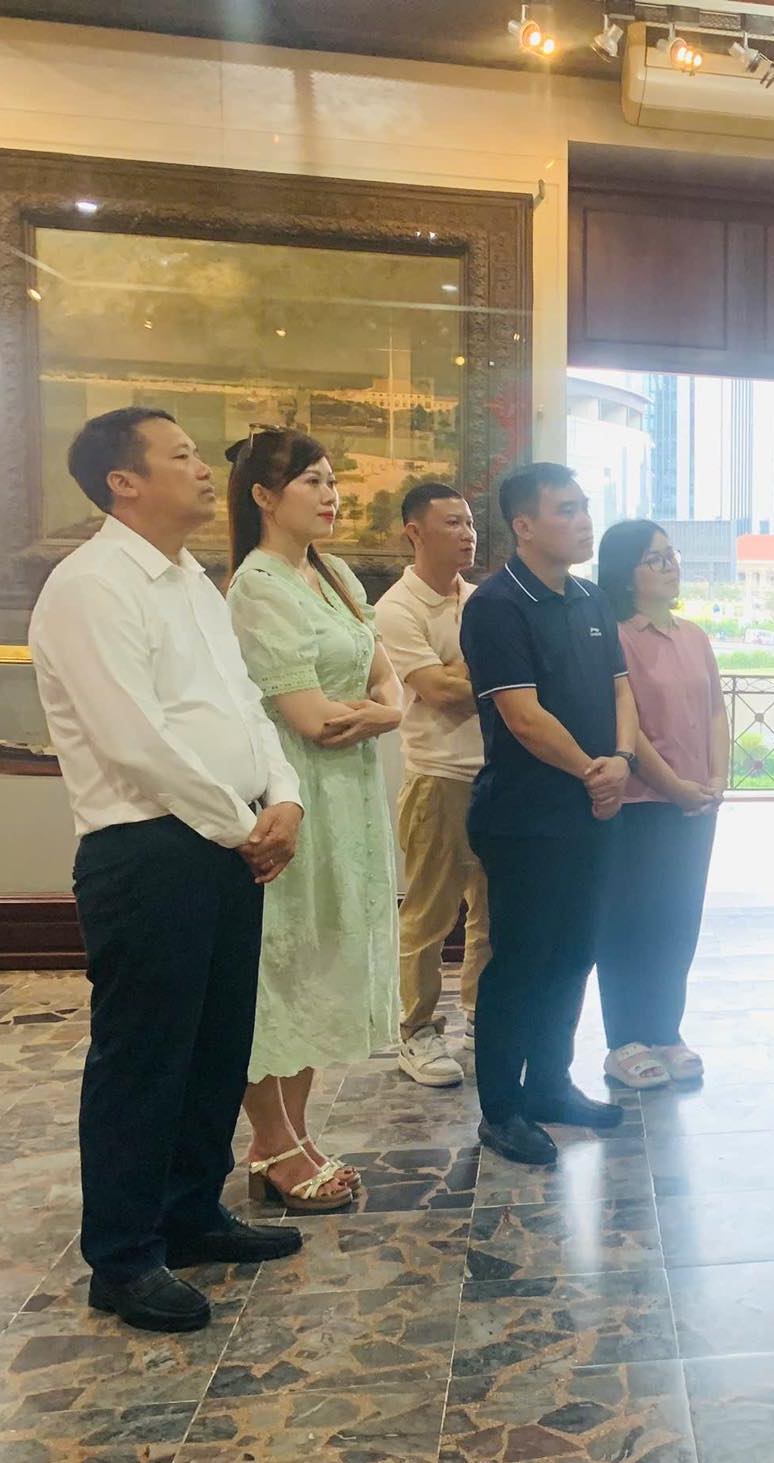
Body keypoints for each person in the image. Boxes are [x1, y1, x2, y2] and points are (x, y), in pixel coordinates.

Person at [29, 408, 306, 1333]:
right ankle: (122, 1256)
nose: (201, 468)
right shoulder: (91, 585)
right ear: (124, 482)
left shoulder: (193, 580)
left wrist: (283, 795)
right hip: (147, 850)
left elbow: (244, 704)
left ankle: (191, 1214)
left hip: (228, 841)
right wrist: (243, 825)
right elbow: (133, 738)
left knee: (217, 1044)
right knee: (144, 1057)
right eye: (181, 455)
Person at [224, 428, 404, 1213]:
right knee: (282, 970)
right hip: (297, 796)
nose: (330, 496)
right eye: (312, 482)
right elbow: (311, 719)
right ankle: (272, 1142)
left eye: (332, 480)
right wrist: (382, 714)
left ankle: (291, 1135)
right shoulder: (258, 587)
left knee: (324, 965)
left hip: (351, 798)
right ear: (265, 497)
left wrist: (385, 711)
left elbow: (387, 676)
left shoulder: (331, 573)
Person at [459, 463, 637, 1165]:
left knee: (573, 954)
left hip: (592, 810)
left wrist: (622, 760)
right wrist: (594, 771)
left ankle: (551, 1086)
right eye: (566, 510)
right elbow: (523, 717)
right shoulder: (497, 605)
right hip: (525, 817)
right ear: (524, 525)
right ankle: (502, 1110)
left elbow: (621, 689)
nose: (583, 520)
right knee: (521, 962)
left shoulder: (591, 598)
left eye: (585, 506)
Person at [593, 521, 726, 1091]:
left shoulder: (694, 636)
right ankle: (625, 1041)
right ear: (626, 573)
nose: (670, 567)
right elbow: (626, 726)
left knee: (678, 919)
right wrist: (673, 785)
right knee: (630, 922)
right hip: (642, 803)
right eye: (655, 559)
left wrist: (716, 779)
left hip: (696, 805)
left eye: (671, 556)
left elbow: (715, 710)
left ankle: (666, 1030)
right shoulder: (615, 637)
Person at [374, 482, 488, 1089]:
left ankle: (480, 1016)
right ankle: (416, 1030)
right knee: (428, 915)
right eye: (452, 523)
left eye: (469, 522)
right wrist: (488, 669)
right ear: (414, 531)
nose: (467, 534)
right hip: (437, 777)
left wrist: (463, 672)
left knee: (492, 911)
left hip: (494, 775)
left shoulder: (480, 599)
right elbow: (440, 692)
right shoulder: (397, 608)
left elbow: (514, 678)